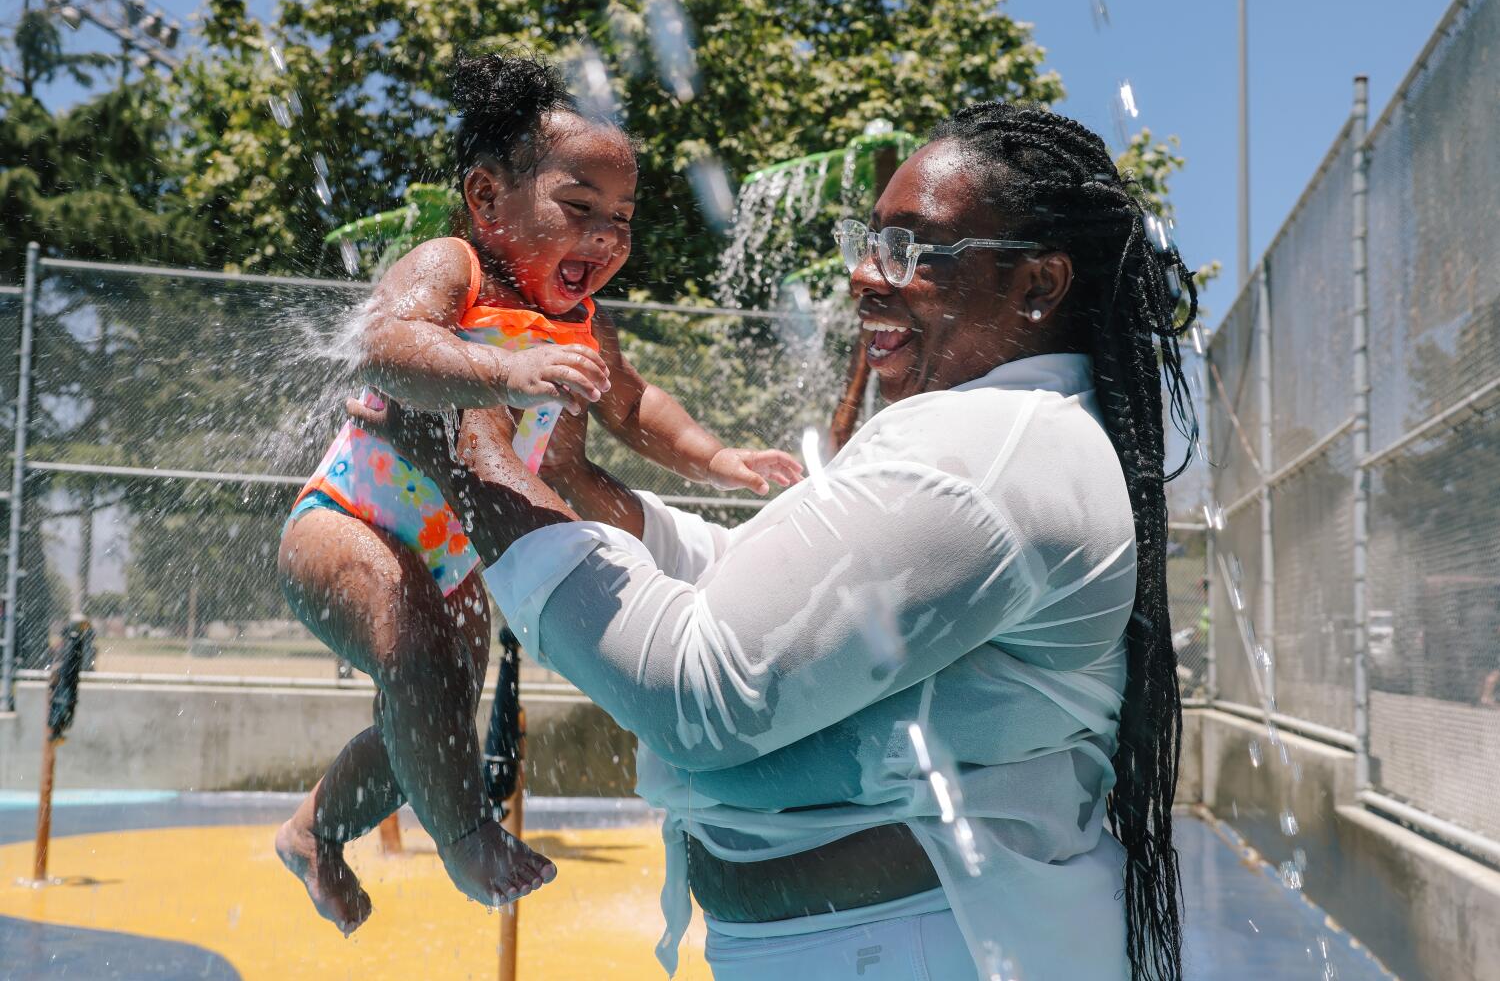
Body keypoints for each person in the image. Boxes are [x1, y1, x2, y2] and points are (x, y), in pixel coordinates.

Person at [352, 101, 1198, 980]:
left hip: (919, 952)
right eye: (865, 243)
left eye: (909, 248)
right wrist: (576, 488)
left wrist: (472, 453)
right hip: (908, 944)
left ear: (1037, 287)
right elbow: (754, 594)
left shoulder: (982, 460)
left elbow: (702, 693)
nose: (865, 277)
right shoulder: (998, 433)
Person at [274, 52, 801, 935]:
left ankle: (312, 833)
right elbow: (384, 344)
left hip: (458, 556)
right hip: (347, 520)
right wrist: (505, 368)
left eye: (622, 220)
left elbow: (635, 406)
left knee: (435, 720)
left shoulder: (577, 326)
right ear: (488, 200)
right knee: (417, 663)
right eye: (579, 208)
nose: (604, 238)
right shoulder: (453, 266)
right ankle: (467, 836)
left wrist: (719, 460)